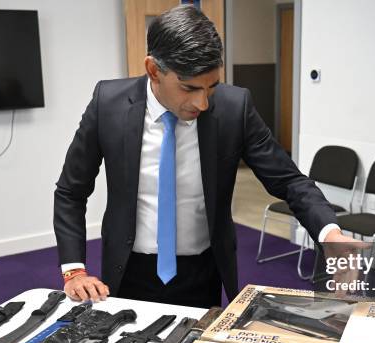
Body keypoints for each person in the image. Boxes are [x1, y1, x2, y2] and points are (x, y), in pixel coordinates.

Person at [54, 5, 357, 308]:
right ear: (153, 70)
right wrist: (73, 270)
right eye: (189, 88)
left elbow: (290, 181)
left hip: (202, 274)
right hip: (129, 271)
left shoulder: (233, 108)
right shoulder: (108, 104)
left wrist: (329, 232)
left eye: (210, 87)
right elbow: (71, 190)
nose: (202, 103)